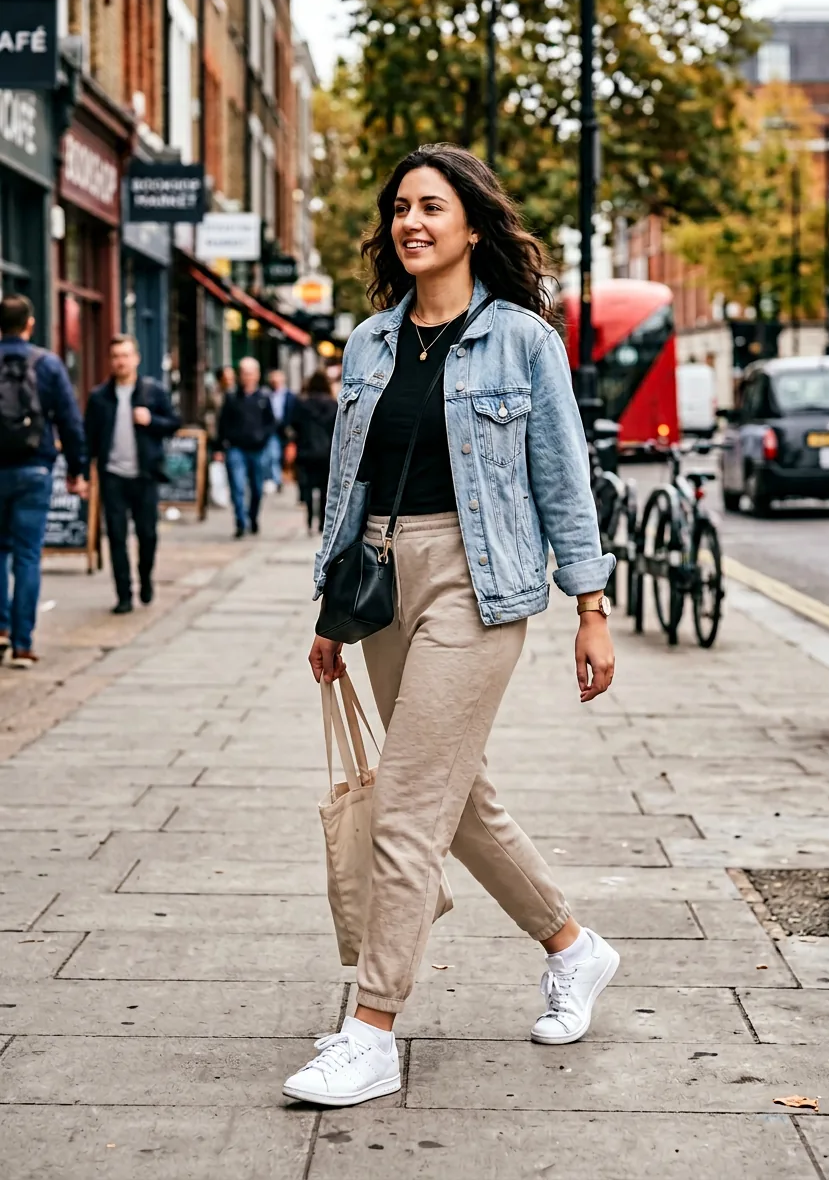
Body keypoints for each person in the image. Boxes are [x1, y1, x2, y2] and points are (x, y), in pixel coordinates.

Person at [283, 144, 618, 1108]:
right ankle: (574, 947)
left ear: (474, 225)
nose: (411, 221)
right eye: (399, 208)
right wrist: (332, 613)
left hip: (480, 583)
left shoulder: (522, 340)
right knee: (455, 797)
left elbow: (562, 479)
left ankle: (372, 1027)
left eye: (432, 206)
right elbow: (350, 489)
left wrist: (590, 609)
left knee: (407, 808)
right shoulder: (370, 343)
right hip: (384, 582)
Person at [0, 294, 88, 668]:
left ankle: (0, 629)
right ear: (30, 324)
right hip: (35, 469)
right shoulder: (48, 364)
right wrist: (76, 469)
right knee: (28, 555)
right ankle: (23, 644)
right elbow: (69, 420)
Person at [85, 336, 180, 614]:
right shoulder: (99, 397)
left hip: (145, 474)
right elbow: (88, 437)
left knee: (147, 534)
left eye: (125, 355)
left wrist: (152, 420)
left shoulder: (153, 391)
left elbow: (174, 423)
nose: (120, 361)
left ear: (136, 358)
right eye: (115, 356)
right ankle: (124, 595)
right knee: (116, 535)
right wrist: (81, 472)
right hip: (112, 474)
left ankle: (146, 579)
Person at [214, 356, 275, 538]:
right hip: (236, 448)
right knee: (238, 486)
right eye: (244, 373)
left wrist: (263, 438)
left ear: (257, 375)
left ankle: (253, 517)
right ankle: (240, 522)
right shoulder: (232, 398)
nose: (247, 377)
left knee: (256, 488)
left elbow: (271, 423)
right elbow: (222, 424)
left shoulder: (263, 397)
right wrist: (219, 447)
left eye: (250, 373)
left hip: (257, 449)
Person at [289, 370, 338, 533]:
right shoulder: (333, 405)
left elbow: (293, 425)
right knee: (325, 489)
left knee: (308, 487)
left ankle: (309, 519)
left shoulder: (302, 404)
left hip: (306, 451)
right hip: (327, 452)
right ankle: (322, 522)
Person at [265, 368, 294, 491]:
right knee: (273, 455)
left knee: (285, 456)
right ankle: (276, 479)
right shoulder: (267, 395)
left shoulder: (290, 396)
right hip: (272, 429)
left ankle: (281, 477)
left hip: (286, 430)